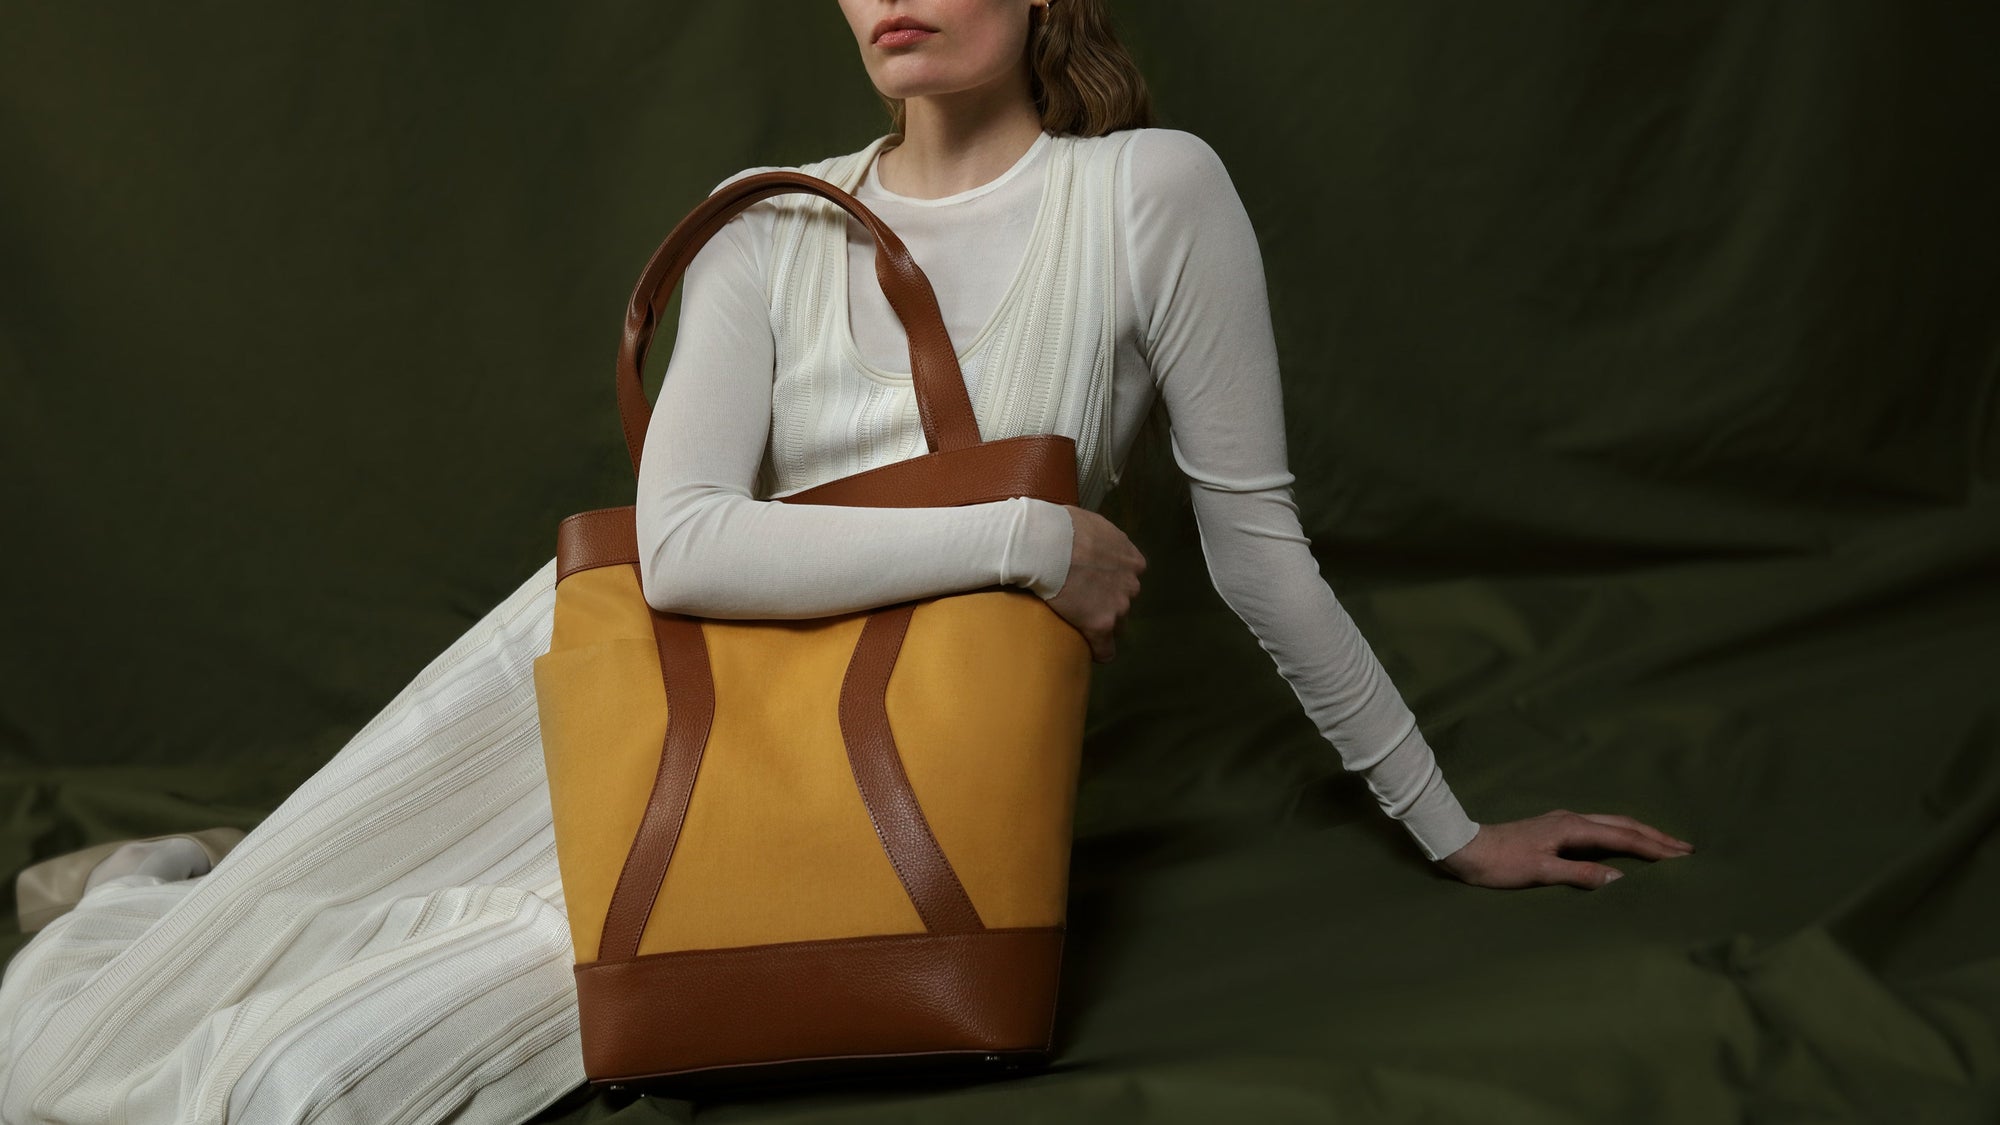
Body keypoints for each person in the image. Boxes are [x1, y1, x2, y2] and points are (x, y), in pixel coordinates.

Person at [0, 1, 1694, 1121]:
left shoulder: (1149, 194)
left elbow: (1258, 551)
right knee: (114, 1034)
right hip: (618, 719)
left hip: (851, 783)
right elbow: (681, 550)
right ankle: (179, 887)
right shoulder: (765, 221)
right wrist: (1029, 535)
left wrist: (1452, 827)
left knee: (298, 1082)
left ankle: (191, 886)